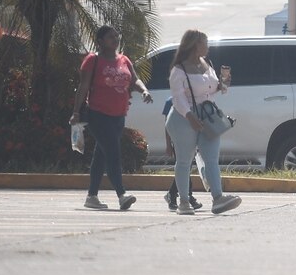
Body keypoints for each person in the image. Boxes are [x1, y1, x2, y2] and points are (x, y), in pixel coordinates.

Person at [69, 25, 153, 210]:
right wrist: (76, 112)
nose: (115, 39)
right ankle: (122, 194)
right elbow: (83, 87)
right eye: (110, 37)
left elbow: (134, 79)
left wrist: (144, 90)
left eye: (116, 36)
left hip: (118, 115)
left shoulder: (124, 59)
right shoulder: (93, 60)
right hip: (98, 114)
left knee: (101, 155)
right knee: (113, 152)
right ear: (100, 41)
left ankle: (92, 197)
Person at [166, 29, 242, 216]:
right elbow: (178, 98)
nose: (207, 47)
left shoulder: (206, 64)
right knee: (184, 161)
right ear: (194, 45)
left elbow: (210, 90)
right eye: (204, 43)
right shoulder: (179, 69)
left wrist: (223, 84)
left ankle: (218, 198)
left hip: (207, 117)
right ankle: (184, 202)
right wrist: (190, 117)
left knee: (211, 159)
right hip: (183, 118)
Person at [162, 97, 202, 211]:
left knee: (186, 168)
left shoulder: (192, 99)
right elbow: (167, 124)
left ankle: (181, 195)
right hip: (178, 140)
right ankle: (179, 196)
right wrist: (168, 145)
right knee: (184, 167)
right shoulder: (171, 101)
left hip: (190, 139)